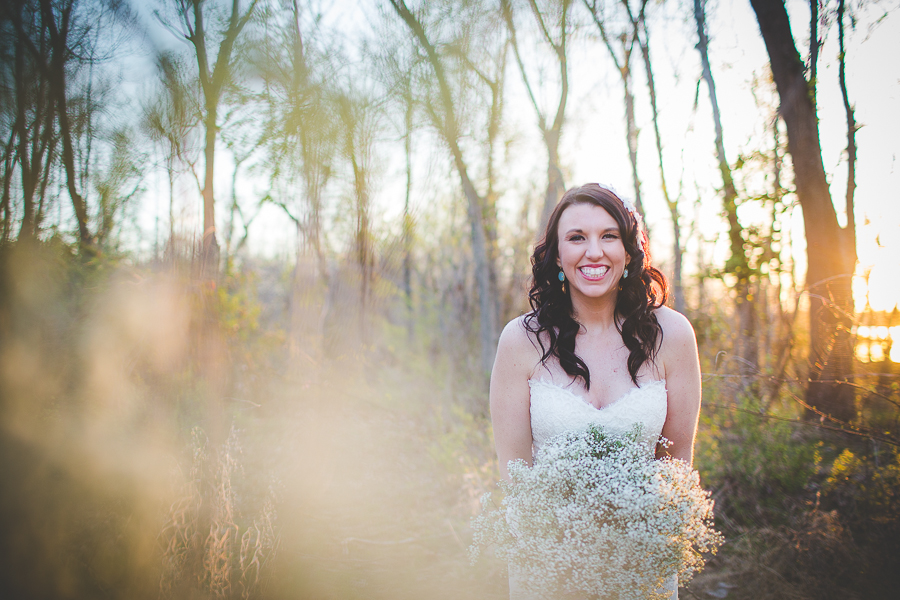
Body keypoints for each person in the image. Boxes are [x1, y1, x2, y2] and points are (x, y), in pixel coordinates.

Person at [489, 183, 702, 599]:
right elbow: (515, 478)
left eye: (608, 236)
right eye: (576, 238)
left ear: (629, 251)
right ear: (556, 256)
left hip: (642, 562)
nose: (593, 252)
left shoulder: (672, 335)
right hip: (548, 563)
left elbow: (677, 469)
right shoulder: (521, 340)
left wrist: (638, 541)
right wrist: (557, 550)